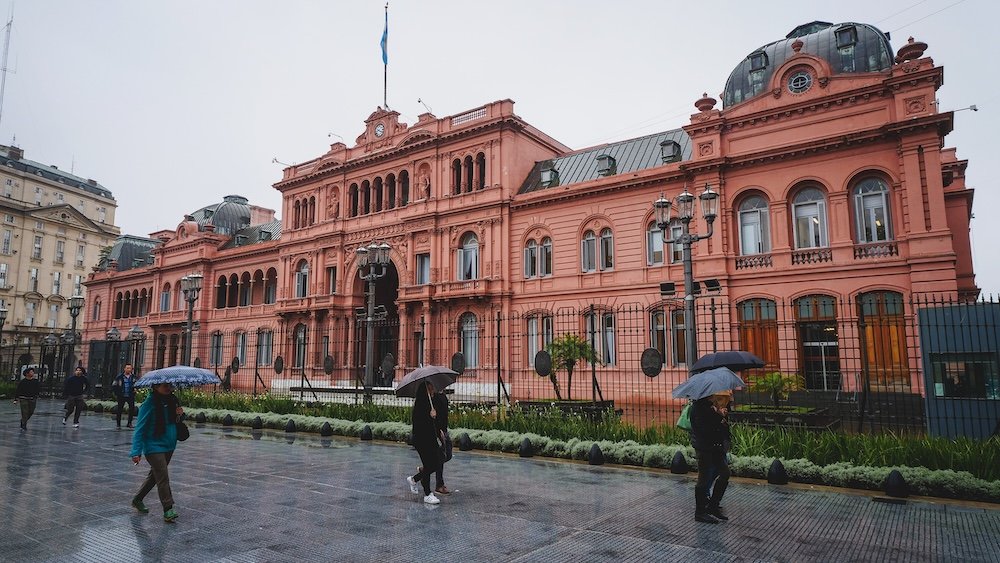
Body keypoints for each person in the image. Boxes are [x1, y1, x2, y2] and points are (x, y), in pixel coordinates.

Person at [129, 382, 184, 523]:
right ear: (154, 387)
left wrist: (180, 415)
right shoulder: (149, 404)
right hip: (153, 446)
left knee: (155, 476)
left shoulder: (173, 401)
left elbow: (175, 422)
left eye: (169, 385)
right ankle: (168, 509)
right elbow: (139, 429)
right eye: (163, 385)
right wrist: (136, 451)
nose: (167, 388)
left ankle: (138, 499)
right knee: (163, 476)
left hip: (169, 445)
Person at [689, 391, 733, 524]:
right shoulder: (697, 409)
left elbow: (718, 427)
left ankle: (713, 505)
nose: (714, 395)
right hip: (704, 448)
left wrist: (720, 417)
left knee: (725, 473)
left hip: (715, 447)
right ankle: (700, 512)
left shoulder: (710, 406)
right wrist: (718, 418)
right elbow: (703, 430)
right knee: (703, 479)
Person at [405, 381, 443, 505]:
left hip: (430, 439)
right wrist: (430, 416)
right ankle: (427, 493)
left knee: (436, 463)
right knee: (430, 465)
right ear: (425, 391)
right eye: (430, 389)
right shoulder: (421, 404)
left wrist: (438, 430)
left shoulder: (430, 403)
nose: (433, 391)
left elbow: (433, 423)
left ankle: (415, 479)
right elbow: (420, 424)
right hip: (422, 440)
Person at [112, 363, 138, 429]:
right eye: (127, 368)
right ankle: (118, 424)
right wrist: (117, 393)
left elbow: (137, 384)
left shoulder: (133, 377)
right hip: (121, 395)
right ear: (124, 369)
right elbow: (114, 385)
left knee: (131, 409)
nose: (129, 369)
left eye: (130, 368)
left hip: (130, 395)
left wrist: (135, 390)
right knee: (119, 409)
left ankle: (129, 423)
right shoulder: (119, 377)